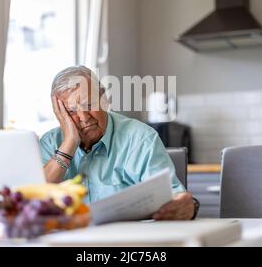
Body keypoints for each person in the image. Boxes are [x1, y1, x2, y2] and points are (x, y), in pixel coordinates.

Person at [40, 66, 198, 220]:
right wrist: (69, 144)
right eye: (71, 111)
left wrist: (187, 206)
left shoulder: (139, 138)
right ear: (59, 114)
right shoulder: (50, 142)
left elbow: (174, 199)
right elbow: (35, 198)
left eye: (89, 105)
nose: (84, 117)